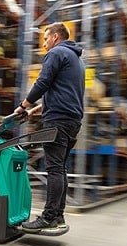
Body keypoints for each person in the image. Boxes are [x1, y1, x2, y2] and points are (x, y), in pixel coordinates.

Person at [14, 22, 85, 234]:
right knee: (60, 168)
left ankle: (48, 218)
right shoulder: (76, 60)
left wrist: (22, 105)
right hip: (72, 121)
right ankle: (59, 216)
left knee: (54, 168)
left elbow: (43, 82)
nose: (44, 44)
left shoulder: (56, 53)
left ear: (55, 37)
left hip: (58, 120)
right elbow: (61, 94)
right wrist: (34, 111)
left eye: (45, 39)